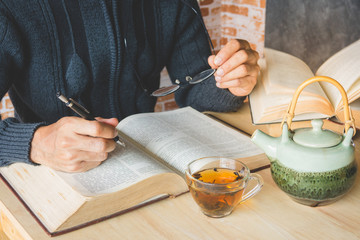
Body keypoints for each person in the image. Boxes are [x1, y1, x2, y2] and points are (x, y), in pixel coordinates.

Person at [0, 0, 259, 172]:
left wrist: (230, 81)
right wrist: (36, 144)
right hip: (47, 175)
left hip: (146, 162)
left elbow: (194, 86)